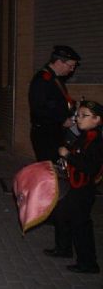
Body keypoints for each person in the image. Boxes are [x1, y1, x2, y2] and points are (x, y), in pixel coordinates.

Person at [44, 100, 102, 274]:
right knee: (61, 213)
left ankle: (88, 264)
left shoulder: (97, 140)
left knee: (81, 225)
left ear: (98, 119)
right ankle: (64, 248)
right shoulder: (85, 135)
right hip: (75, 186)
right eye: (78, 115)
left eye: (84, 116)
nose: (79, 119)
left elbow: (90, 167)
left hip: (84, 188)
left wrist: (68, 155)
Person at [28, 45, 80, 162]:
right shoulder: (42, 80)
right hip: (45, 134)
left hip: (54, 132)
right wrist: (62, 119)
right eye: (71, 66)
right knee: (49, 170)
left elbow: (56, 102)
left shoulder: (54, 78)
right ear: (58, 62)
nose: (72, 69)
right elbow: (38, 109)